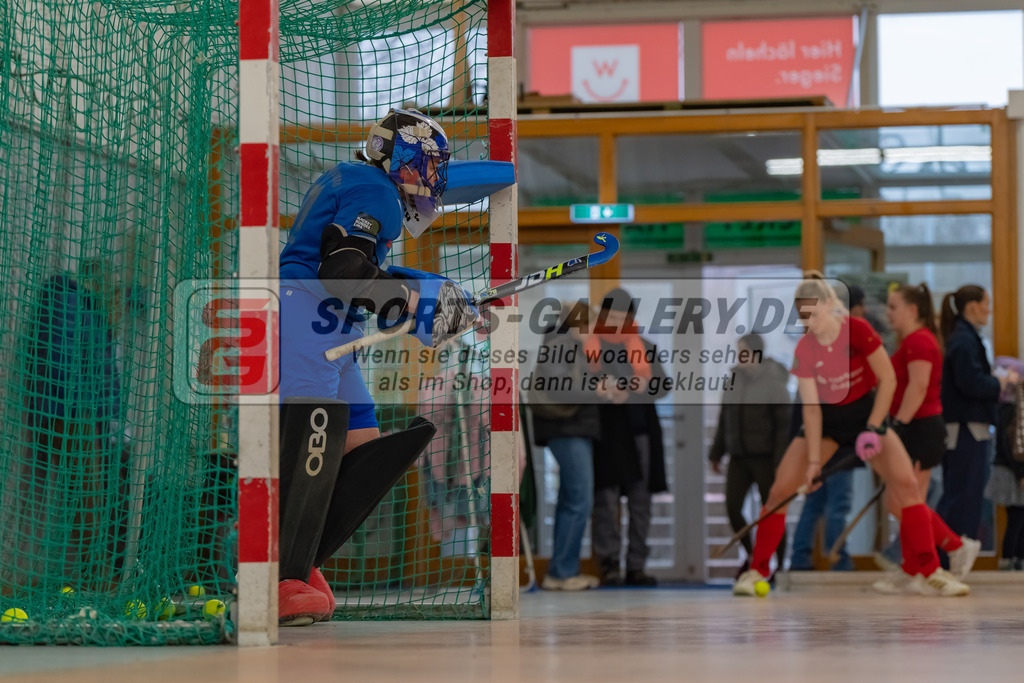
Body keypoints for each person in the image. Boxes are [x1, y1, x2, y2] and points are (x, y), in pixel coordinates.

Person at [276, 108, 479, 625]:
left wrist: (420, 299)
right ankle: (277, 575)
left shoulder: (356, 180)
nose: (433, 176)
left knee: (363, 447)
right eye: (429, 163)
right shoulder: (377, 189)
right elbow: (343, 270)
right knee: (309, 446)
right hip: (307, 314)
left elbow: (354, 271)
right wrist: (417, 303)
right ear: (402, 156)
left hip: (331, 322)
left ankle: (301, 562)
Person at [734, 275, 969, 597]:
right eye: (803, 317)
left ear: (830, 304)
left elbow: (887, 380)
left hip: (865, 416)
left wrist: (873, 427)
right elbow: (811, 409)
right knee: (778, 492)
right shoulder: (805, 348)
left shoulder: (858, 331)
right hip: (827, 423)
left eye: (814, 314)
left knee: (907, 486)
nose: (809, 323)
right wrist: (813, 463)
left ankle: (931, 572)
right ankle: (757, 571)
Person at [873, 283, 981, 592]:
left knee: (906, 504)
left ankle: (955, 545)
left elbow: (918, 387)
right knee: (904, 504)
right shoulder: (911, 341)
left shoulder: (919, 341)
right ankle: (914, 566)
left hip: (918, 429)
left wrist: (899, 425)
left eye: (893, 307)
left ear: (912, 310)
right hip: (913, 427)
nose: (888, 313)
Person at [587, 288, 670, 587]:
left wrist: (640, 388)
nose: (617, 323)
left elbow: (663, 386)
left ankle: (637, 566)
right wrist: (604, 390)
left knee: (640, 502)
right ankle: (609, 565)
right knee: (606, 502)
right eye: (612, 317)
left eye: (623, 318)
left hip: (640, 432)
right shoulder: (590, 345)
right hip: (606, 435)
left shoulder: (645, 346)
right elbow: (579, 385)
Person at [788, 284, 866, 572]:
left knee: (817, 502)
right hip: (830, 439)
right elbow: (810, 407)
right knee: (835, 504)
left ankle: (801, 559)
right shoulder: (816, 348)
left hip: (824, 439)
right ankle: (837, 560)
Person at [935, 285, 1016, 550]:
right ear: (972, 307)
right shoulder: (964, 340)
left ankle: (952, 554)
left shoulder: (964, 338)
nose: (989, 311)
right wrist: (999, 382)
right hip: (967, 427)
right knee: (963, 496)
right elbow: (971, 383)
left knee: (962, 494)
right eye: (986, 304)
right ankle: (951, 555)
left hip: (967, 426)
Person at [530, 301, 601, 591]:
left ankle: (561, 570)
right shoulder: (561, 344)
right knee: (579, 500)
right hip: (566, 429)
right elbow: (560, 387)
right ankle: (561, 572)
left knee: (571, 499)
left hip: (573, 428)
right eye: (592, 322)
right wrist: (597, 390)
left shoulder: (570, 345)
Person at [709, 334, 790, 578]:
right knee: (732, 507)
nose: (739, 355)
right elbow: (725, 419)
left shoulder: (774, 382)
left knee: (773, 512)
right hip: (739, 457)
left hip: (767, 458)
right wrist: (716, 453)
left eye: (743, 350)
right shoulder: (732, 380)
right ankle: (753, 556)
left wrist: (781, 462)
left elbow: (784, 426)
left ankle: (779, 565)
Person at [986, 357, 1024, 570]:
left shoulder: (1007, 409)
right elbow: (1013, 448)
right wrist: (1021, 473)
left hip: (1013, 470)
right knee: (1017, 517)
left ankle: (1017, 558)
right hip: (1012, 472)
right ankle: (1009, 559)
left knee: (1018, 517)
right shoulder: (1010, 410)